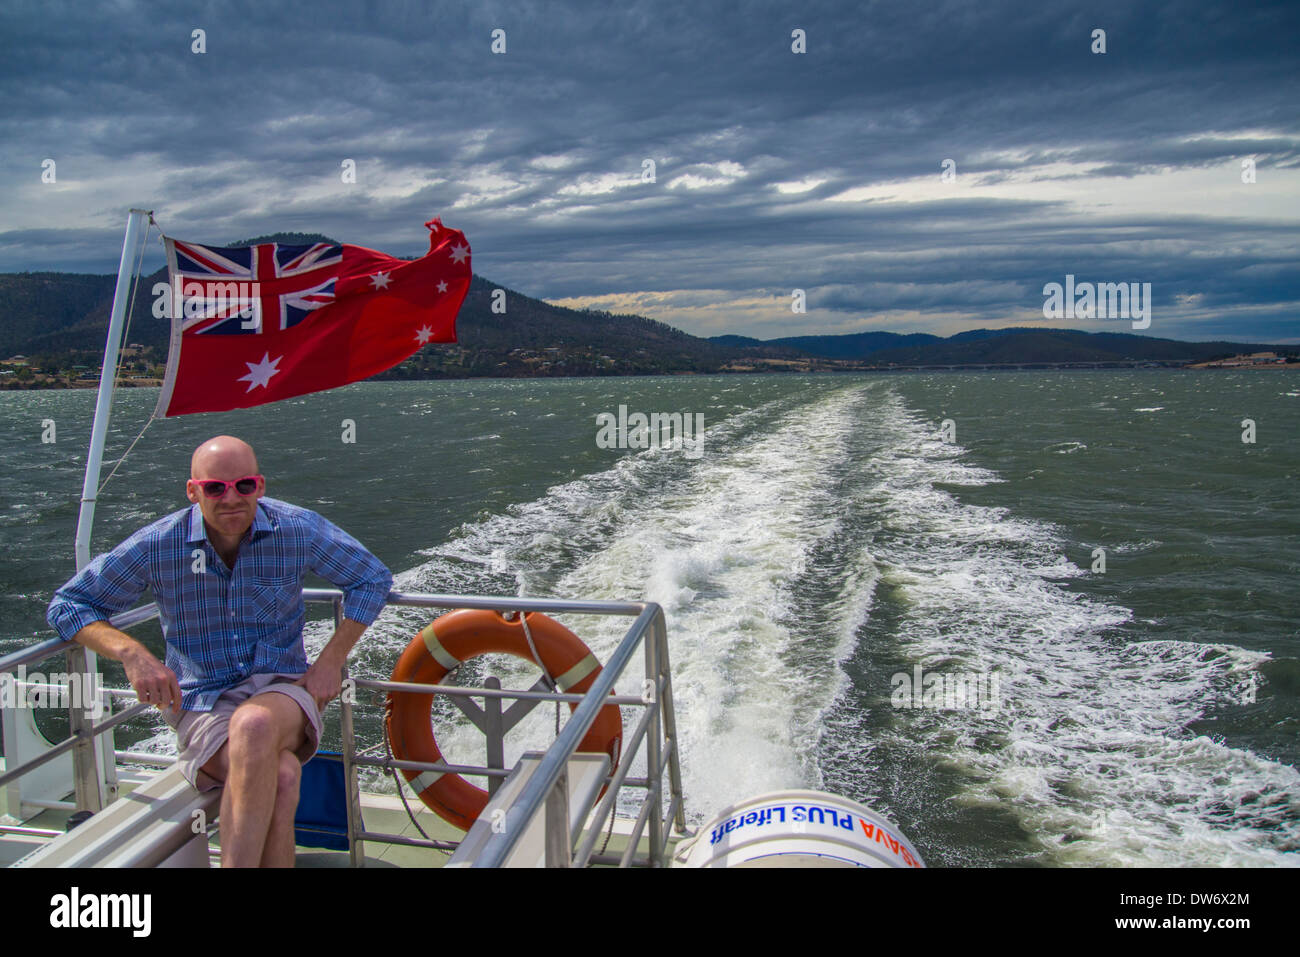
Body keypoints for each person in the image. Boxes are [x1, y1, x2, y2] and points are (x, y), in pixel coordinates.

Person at [47, 435, 392, 867]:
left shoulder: (296, 529)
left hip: (283, 689)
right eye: (215, 488)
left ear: (260, 486)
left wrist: (331, 660)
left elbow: (371, 578)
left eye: (243, 485)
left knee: (253, 724)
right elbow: (70, 604)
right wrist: (131, 653)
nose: (231, 498)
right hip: (201, 701)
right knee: (282, 777)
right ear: (193, 491)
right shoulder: (159, 545)